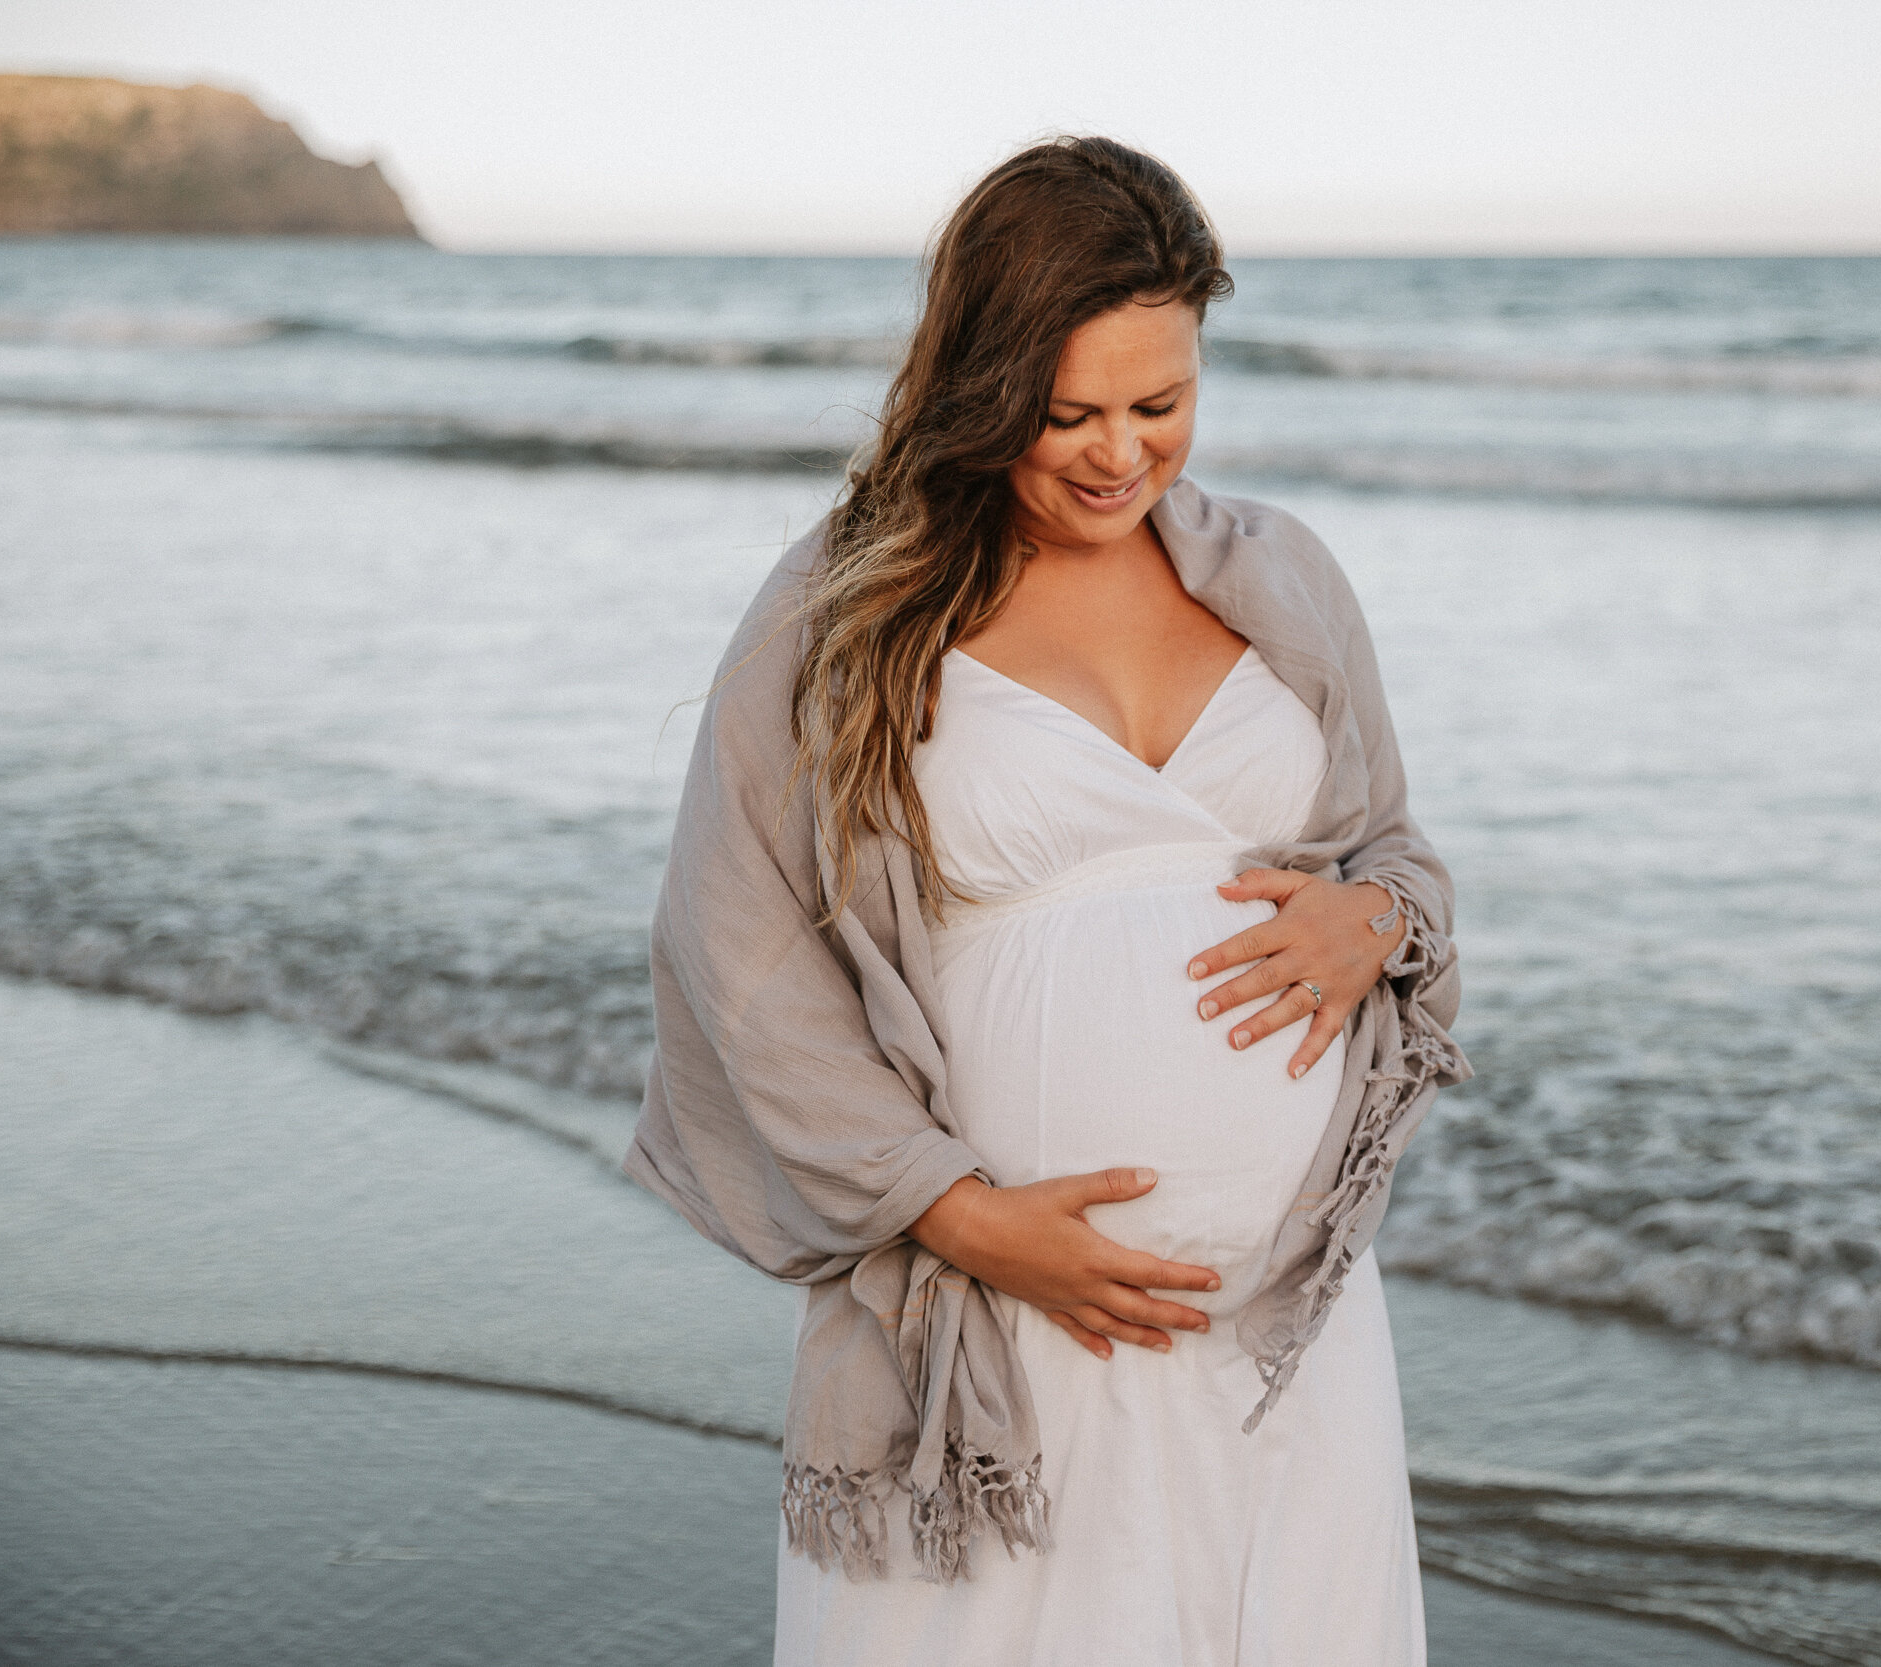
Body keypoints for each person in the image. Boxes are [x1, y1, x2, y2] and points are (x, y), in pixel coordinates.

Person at [624, 136, 1467, 1667]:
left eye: (1163, 404)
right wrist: (963, 1218)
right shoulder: (857, 599)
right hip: (1015, 1323)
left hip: (1293, 1334)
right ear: (980, 380)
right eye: (1066, 411)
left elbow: (1394, 848)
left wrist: (1383, 927)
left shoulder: (1282, 578)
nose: (1119, 453)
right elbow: (734, 940)